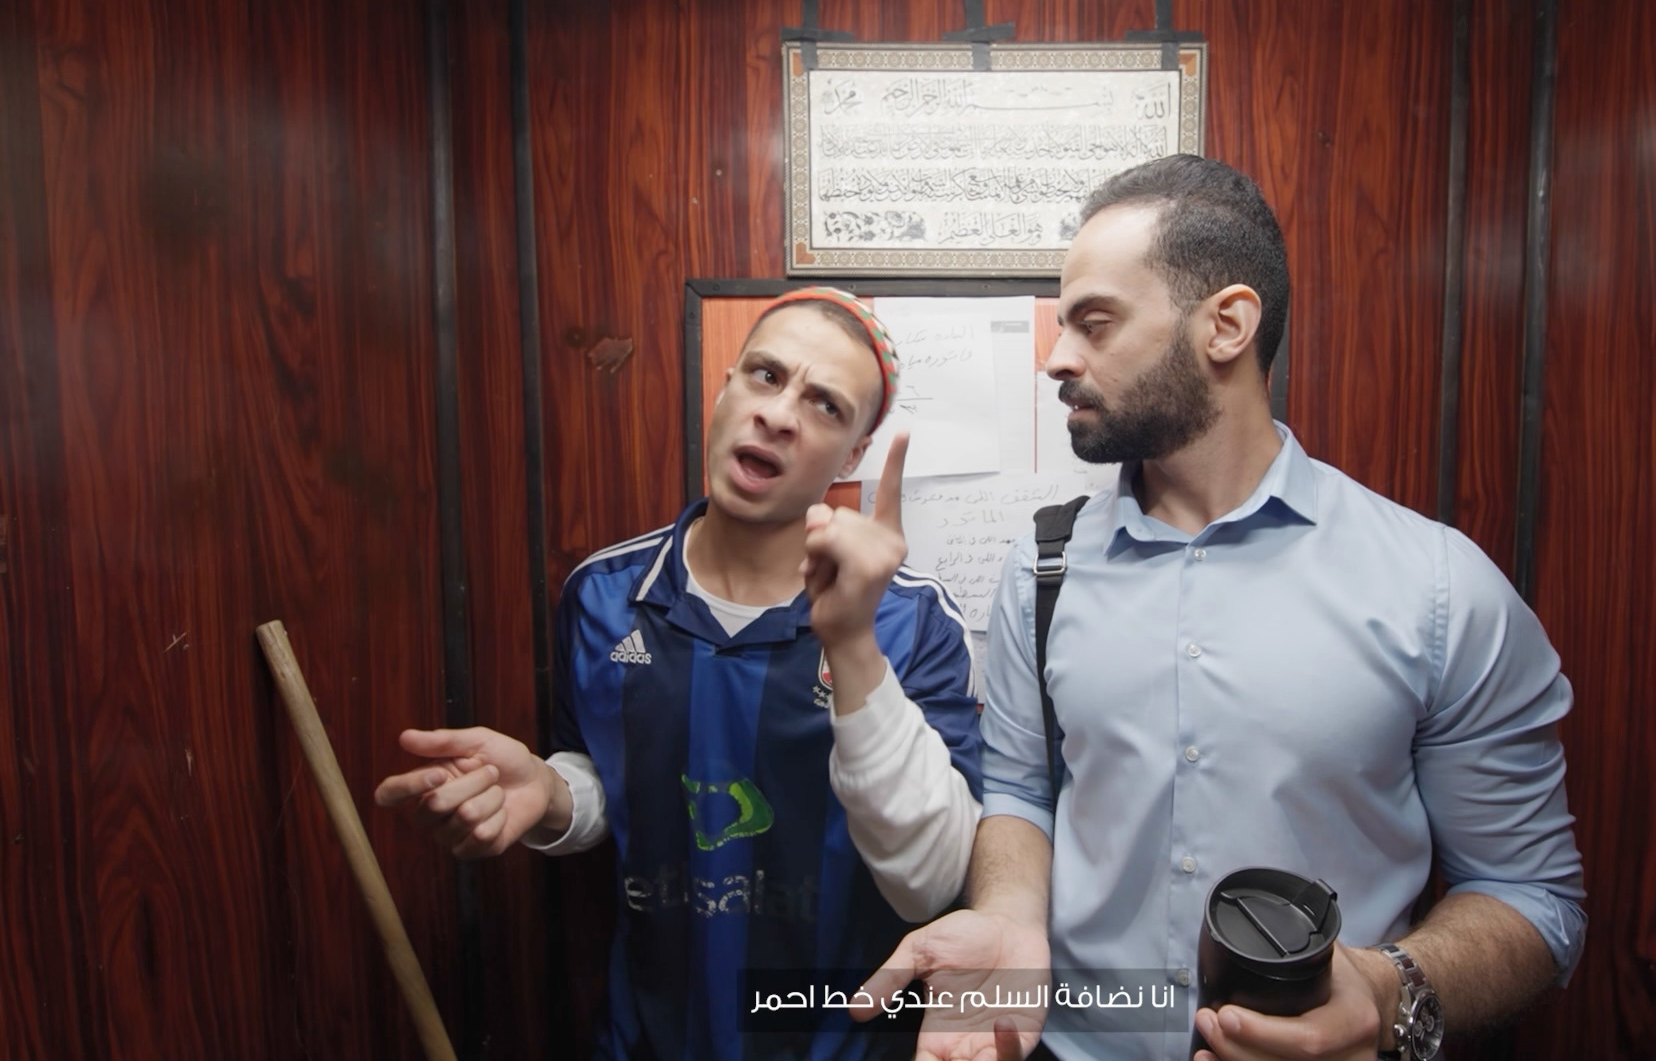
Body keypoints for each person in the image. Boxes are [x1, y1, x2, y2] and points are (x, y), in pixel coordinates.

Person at [856, 155, 1586, 1061]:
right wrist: (1007, 914)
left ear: (1228, 326)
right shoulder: (1041, 571)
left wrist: (1388, 987)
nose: (1057, 359)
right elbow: (1021, 791)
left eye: (1094, 322)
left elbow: (1532, 898)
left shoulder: (1438, 587)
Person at [375, 287, 984, 1061]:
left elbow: (930, 882)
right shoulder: (603, 595)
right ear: (725, 388)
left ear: (854, 456)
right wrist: (554, 796)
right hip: (650, 1040)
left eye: (826, 405)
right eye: (766, 375)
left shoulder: (915, 623)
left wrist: (852, 643)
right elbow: (612, 777)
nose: (780, 414)